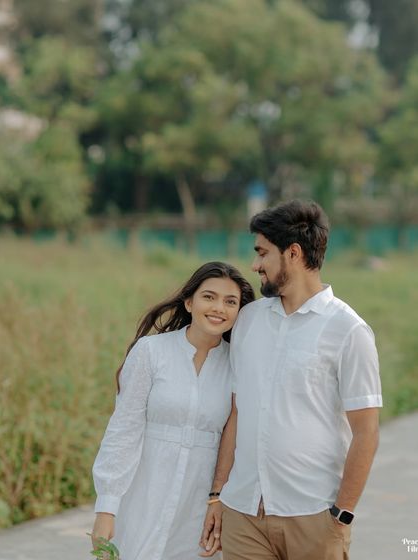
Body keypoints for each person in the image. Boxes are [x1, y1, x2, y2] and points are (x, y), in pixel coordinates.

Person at [200, 200, 382, 560]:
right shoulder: (249, 320)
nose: (255, 265)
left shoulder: (348, 330)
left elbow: (367, 431)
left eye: (262, 253)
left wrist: (341, 516)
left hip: (313, 517)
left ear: (293, 253)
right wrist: (217, 493)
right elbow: (239, 411)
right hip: (243, 514)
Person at [91, 261, 255, 560]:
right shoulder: (151, 352)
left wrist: (220, 500)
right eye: (209, 297)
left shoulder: (238, 365)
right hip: (142, 498)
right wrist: (107, 507)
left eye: (231, 302)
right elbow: (124, 430)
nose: (219, 307)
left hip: (198, 508)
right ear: (189, 302)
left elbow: (236, 442)